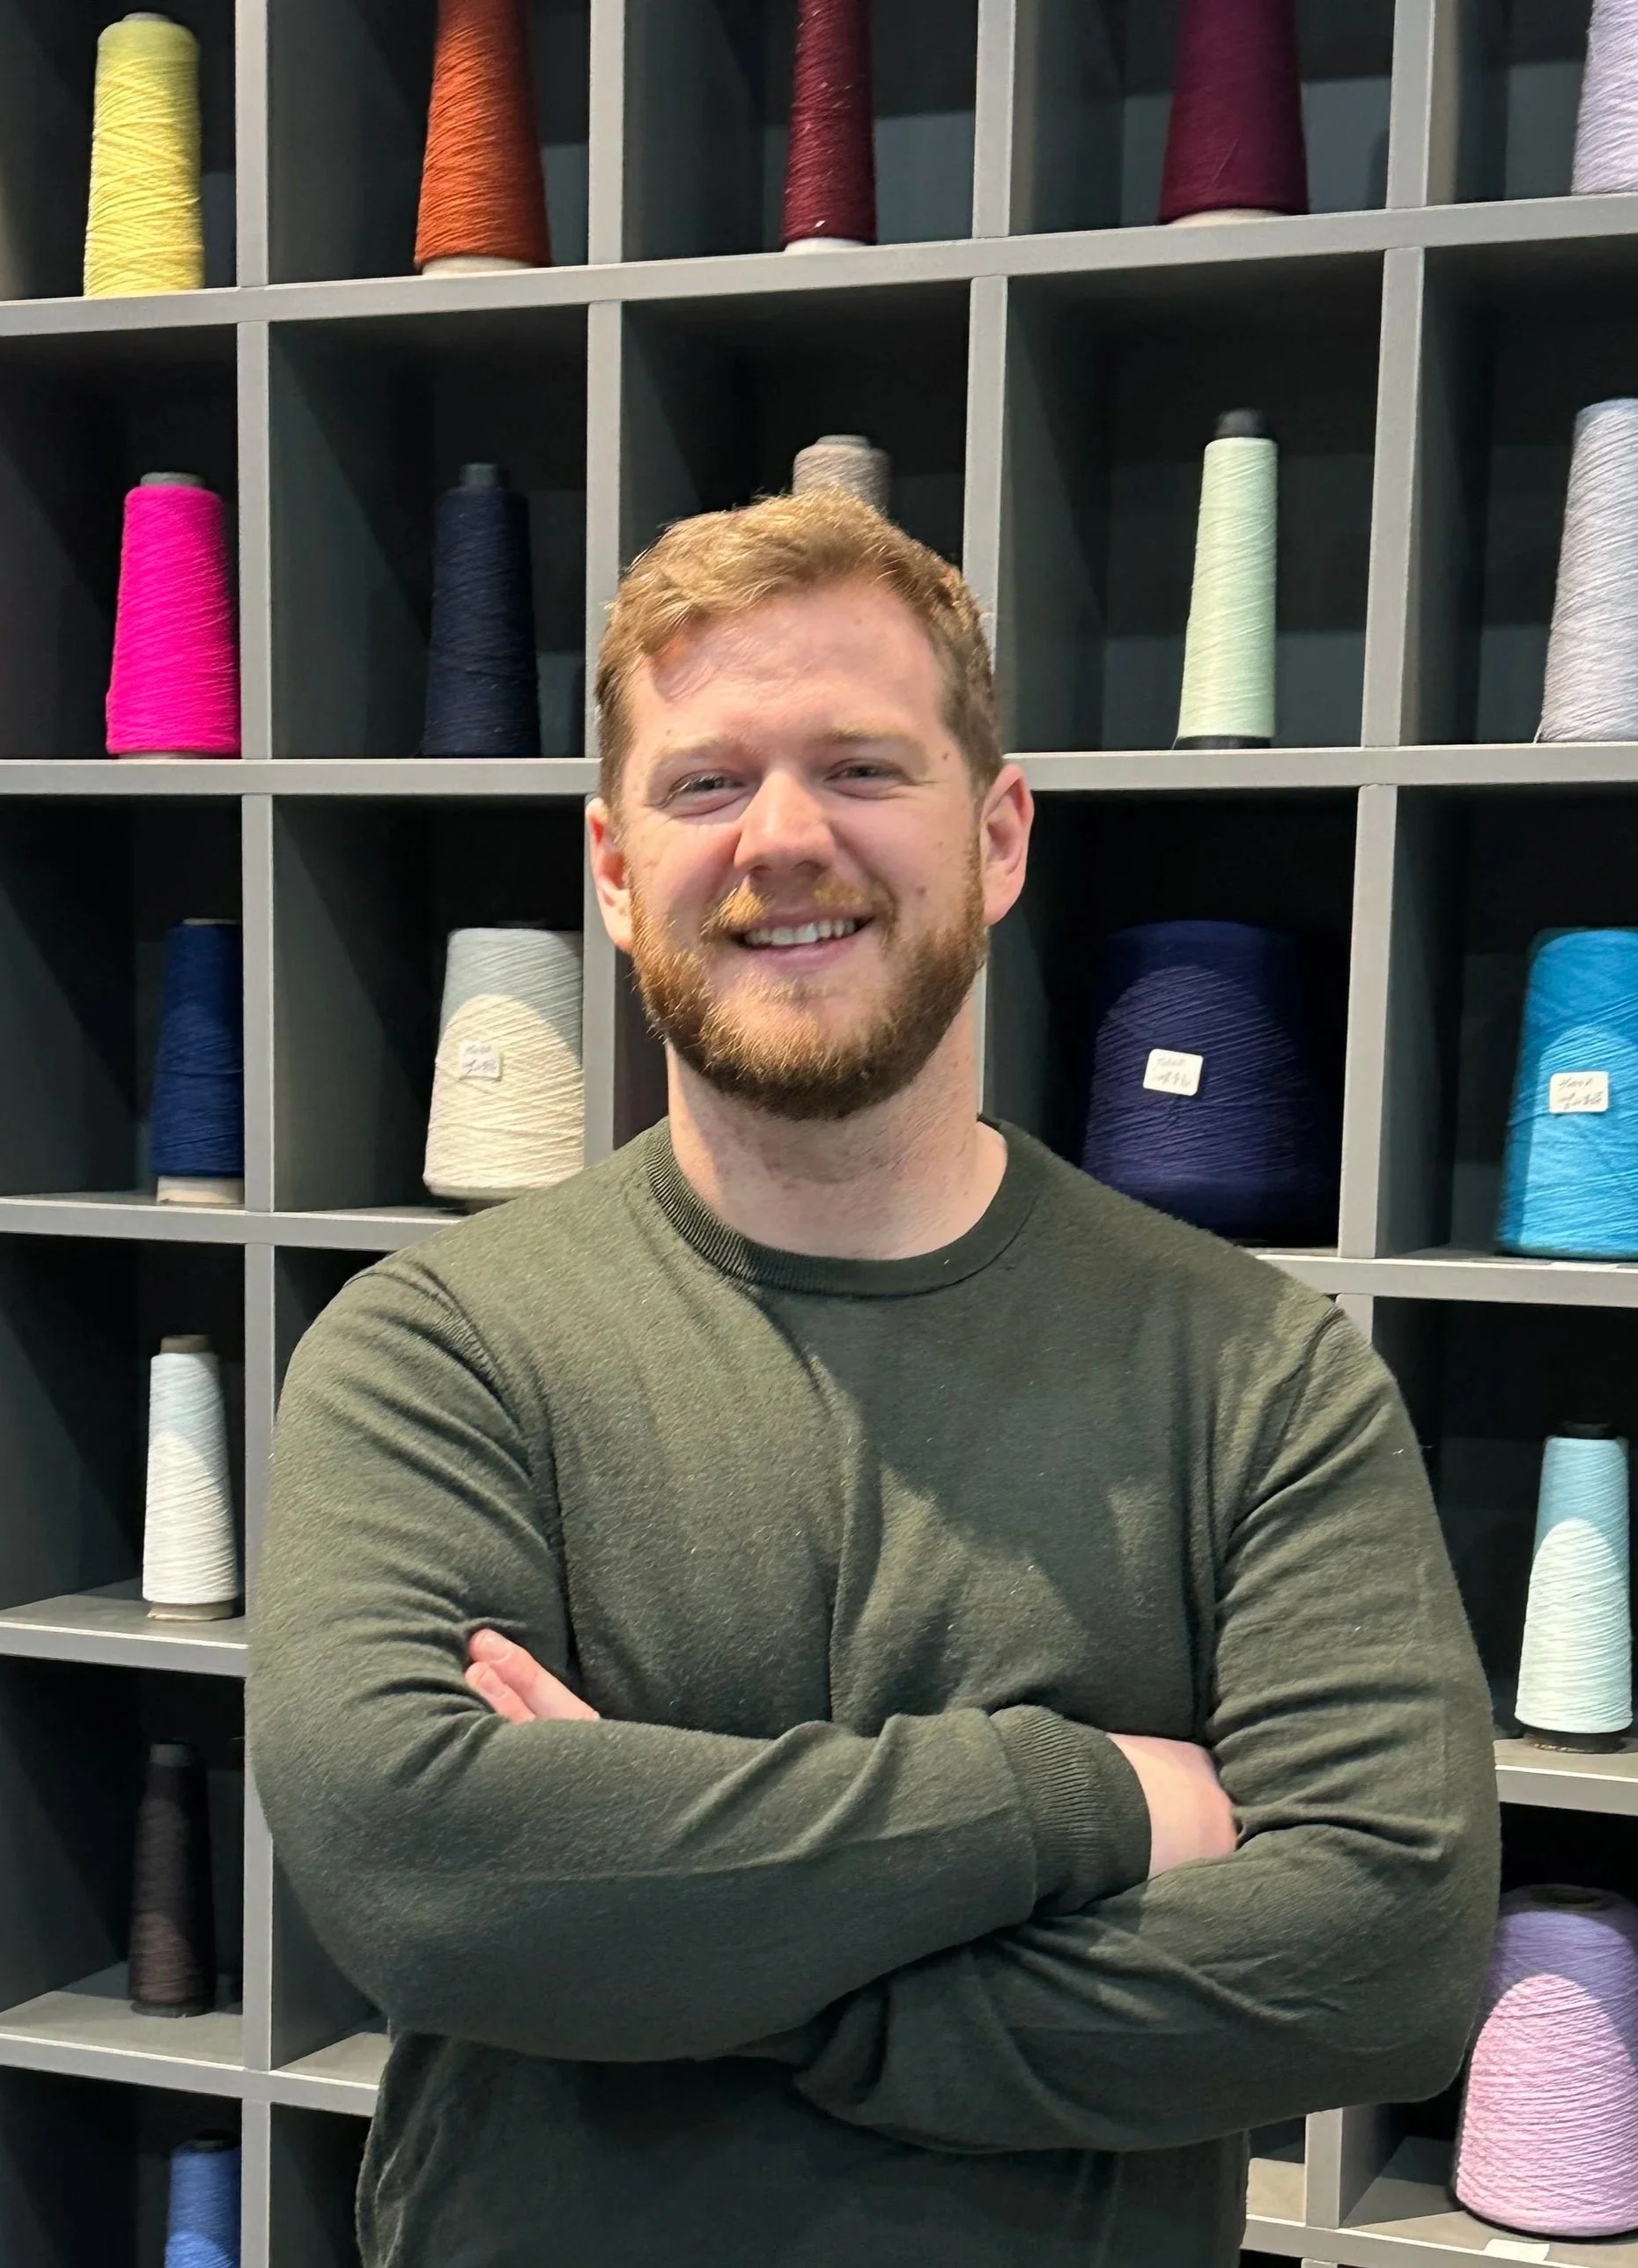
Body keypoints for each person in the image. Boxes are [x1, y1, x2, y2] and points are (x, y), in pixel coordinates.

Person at [248, 488, 1500, 2268]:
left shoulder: (1259, 1372)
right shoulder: (433, 1350)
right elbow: (423, 1871)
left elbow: (1383, 1957)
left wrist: (678, 1946)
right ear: (614, 869)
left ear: (996, 836)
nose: (782, 838)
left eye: (860, 767)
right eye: (705, 782)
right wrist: (1083, 1799)